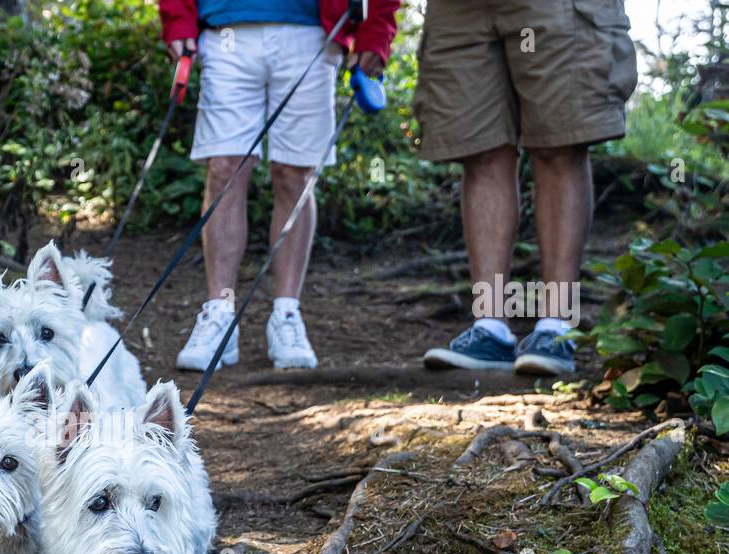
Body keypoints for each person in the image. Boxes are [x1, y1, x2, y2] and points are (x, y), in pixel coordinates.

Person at [158, 0, 399, 371]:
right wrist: (177, 18)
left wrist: (376, 30)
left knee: (295, 175)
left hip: (314, 32)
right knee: (224, 167)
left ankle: (287, 314)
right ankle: (219, 315)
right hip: (224, 29)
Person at [418, 0, 638, 376]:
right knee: (481, 152)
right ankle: (490, 326)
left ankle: (556, 325)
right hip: (457, 10)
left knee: (559, 146)